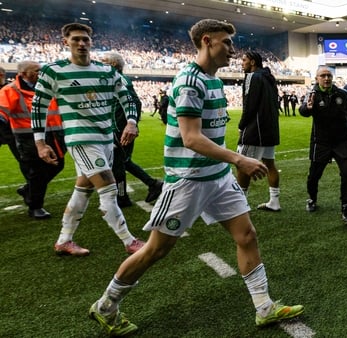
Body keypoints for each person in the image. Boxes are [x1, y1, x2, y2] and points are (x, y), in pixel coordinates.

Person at [88, 19, 303, 336]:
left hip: (218, 178)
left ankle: (264, 307)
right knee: (156, 250)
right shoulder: (190, 82)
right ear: (207, 41)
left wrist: (230, 164)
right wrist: (239, 159)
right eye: (227, 42)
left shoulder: (214, 80)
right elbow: (191, 138)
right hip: (187, 180)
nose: (232, 49)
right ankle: (105, 304)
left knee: (247, 236)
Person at [31, 23, 145, 256]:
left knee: (82, 190)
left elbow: (128, 99)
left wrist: (131, 122)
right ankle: (129, 240)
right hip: (81, 140)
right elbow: (38, 108)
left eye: (85, 39)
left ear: (91, 42)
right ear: (66, 42)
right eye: (76, 40)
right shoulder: (54, 71)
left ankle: (64, 240)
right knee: (109, 188)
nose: (81, 43)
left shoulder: (107, 72)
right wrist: (40, 143)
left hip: (106, 140)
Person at [0, 61, 65, 219]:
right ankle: (35, 207)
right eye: (36, 71)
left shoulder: (48, 87)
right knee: (37, 171)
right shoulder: (10, 90)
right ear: (23, 74)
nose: (40, 73)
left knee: (58, 165)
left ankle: (28, 190)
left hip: (54, 134)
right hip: (28, 138)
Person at [299, 66, 347, 225]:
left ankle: (345, 207)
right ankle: (312, 199)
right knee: (314, 175)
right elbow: (303, 111)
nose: (326, 78)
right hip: (321, 142)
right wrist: (308, 107)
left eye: (329, 75)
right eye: (323, 76)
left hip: (341, 141)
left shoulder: (342, 94)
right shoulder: (312, 94)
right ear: (317, 78)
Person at [100, 52, 163, 208]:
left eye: (103, 61)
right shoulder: (114, 79)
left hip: (119, 129)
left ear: (113, 65)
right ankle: (153, 184)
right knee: (123, 161)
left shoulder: (119, 79)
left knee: (118, 163)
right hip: (119, 127)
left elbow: (135, 102)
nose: (100, 64)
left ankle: (122, 198)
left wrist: (130, 125)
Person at [237, 51, 281, 212]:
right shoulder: (269, 77)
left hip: (256, 129)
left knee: (242, 164)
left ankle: (240, 204)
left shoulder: (252, 77)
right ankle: (274, 201)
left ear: (253, 62)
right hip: (270, 128)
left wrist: (241, 125)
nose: (241, 63)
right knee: (269, 163)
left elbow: (249, 105)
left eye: (244, 60)